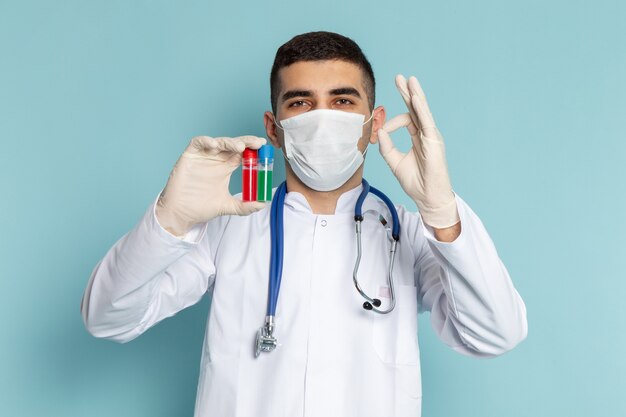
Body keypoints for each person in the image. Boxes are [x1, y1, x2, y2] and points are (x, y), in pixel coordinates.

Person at [80, 31, 528, 417]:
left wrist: (442, 213)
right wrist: (169, 221)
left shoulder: (406, 233)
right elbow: (106, 318)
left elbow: (496, 334)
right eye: (301, 102)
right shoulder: (225, 229)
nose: (322, 117)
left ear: (374, 125)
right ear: (273, 129)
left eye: (342, 100)